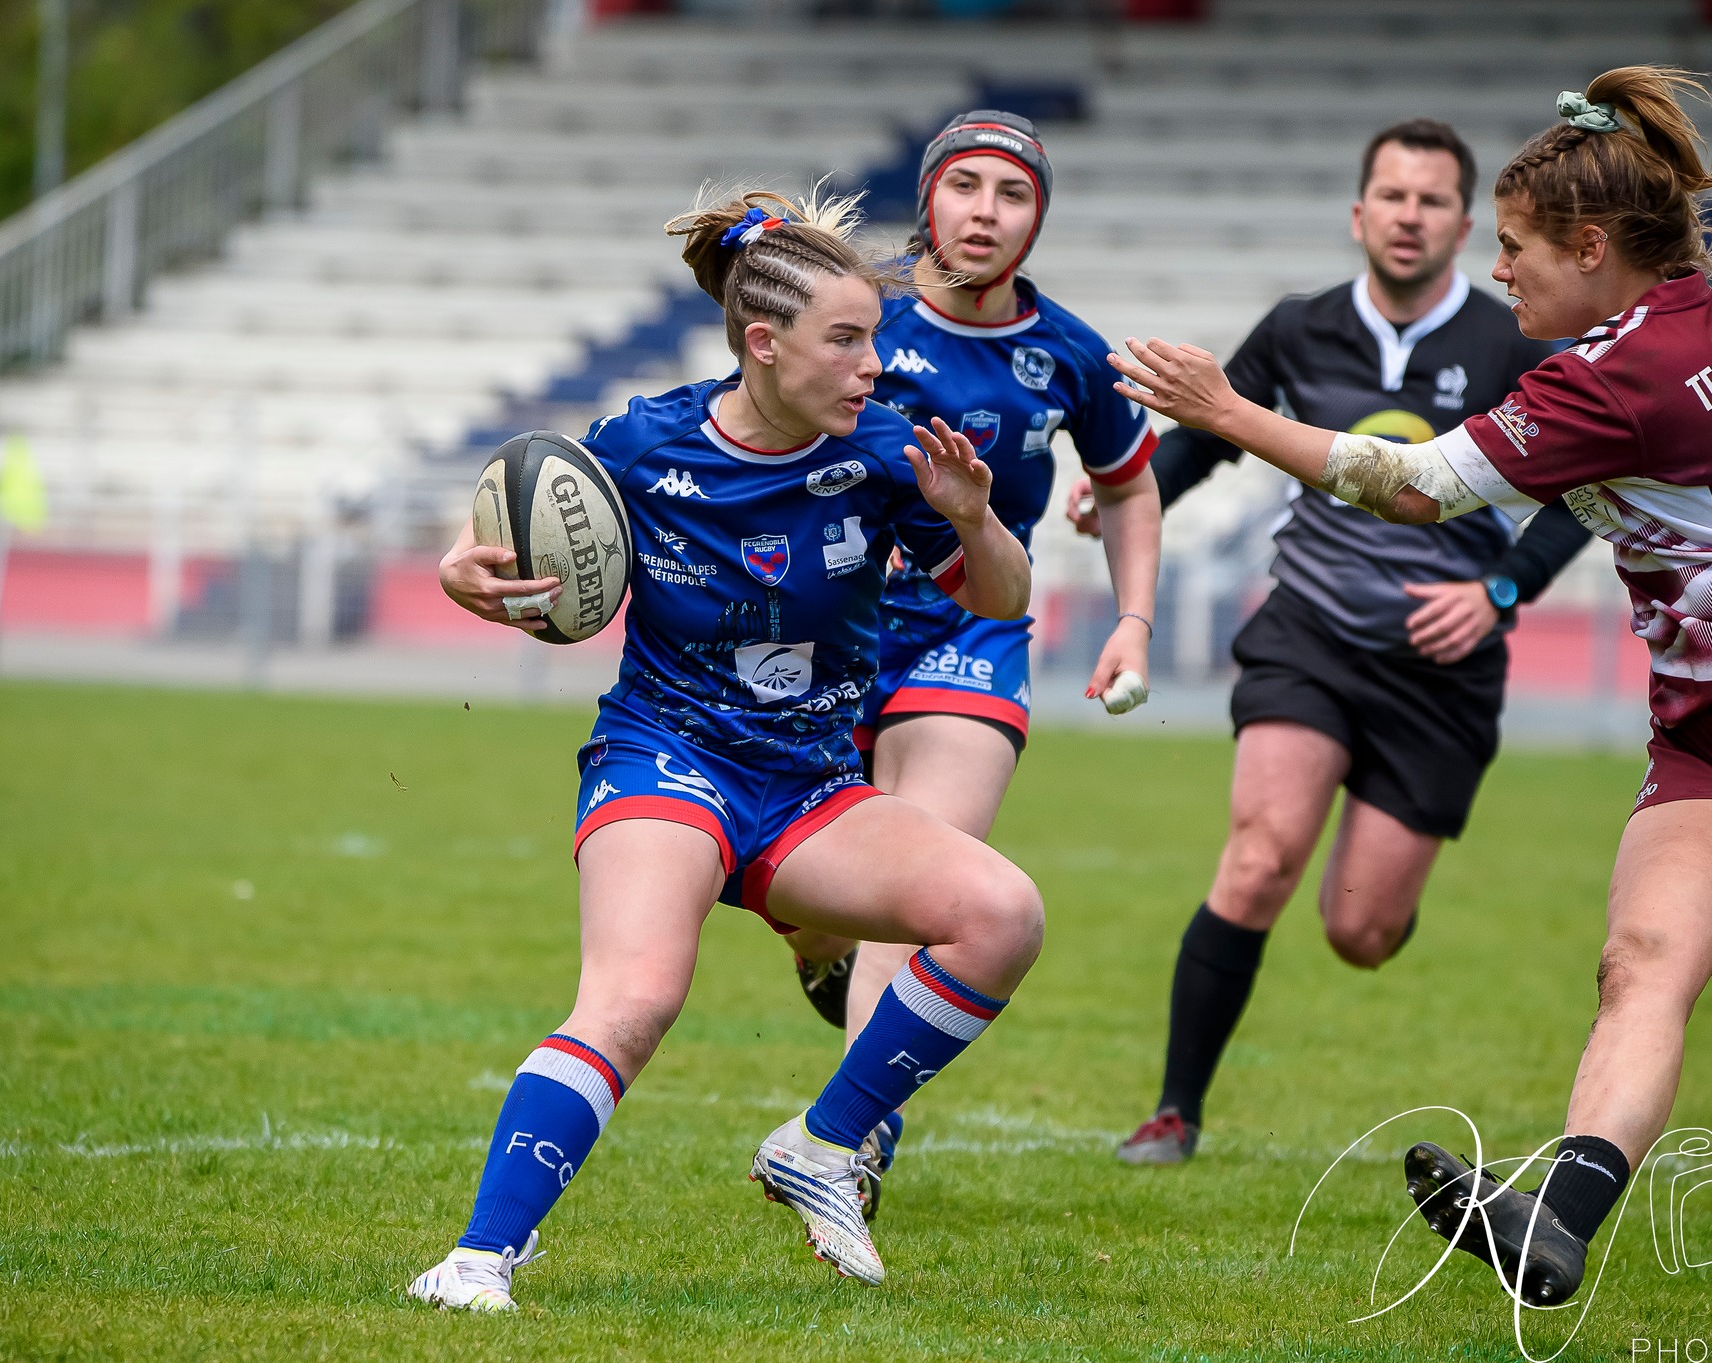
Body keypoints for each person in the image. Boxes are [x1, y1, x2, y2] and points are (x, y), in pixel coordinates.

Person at [1105, 66, 1712, 1307]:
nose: (1501, 273)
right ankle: (1557, 1216)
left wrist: (1227, 410)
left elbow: (1408, 485)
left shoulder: (1610, 379)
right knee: (1640, 957)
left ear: (1591, 246)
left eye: (1515, 248)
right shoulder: (1710, 315)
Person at [407, 188, 1045, 1311]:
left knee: (1002, 914)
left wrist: (973, 516)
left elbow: (1000, 596)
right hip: (666, 757)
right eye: (845, 340)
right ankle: (475, 1263)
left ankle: (822, 1142)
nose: (871, 365)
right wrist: (465, 570)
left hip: (809, 787)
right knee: (635, 994)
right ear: (763, 343)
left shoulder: (892, 452)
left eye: (874, 341)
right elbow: (490, 541)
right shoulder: (642, 442)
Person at [1080, 119, 1590, 1166]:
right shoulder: (1300, 327)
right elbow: (1213, 437)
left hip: (1440, 668)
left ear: (1464, 224)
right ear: (1358, 214)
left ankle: (1382, 889)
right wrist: (1125, 493)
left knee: (1358, 934)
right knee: (1258, 856)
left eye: (1430, 200)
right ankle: (1173, 1112)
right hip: (1306, 633)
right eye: (1390, 197)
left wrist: (1496, 590)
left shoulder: (1509, 345)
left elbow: (1588, 493)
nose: (1408, 217)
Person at [777, 111, 1163, 1212]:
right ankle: (818, 954)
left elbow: (1129, 483)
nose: (986, 212)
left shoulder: (1070, 355)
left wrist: (1131, 617)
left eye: (1012, 193)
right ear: (928, 199)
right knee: (815, 909)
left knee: (923, 871)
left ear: (1038, 216)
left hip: (969, 632)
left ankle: (845, 1148)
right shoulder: (860, 319)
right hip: (820, 637)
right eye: (965, 187)